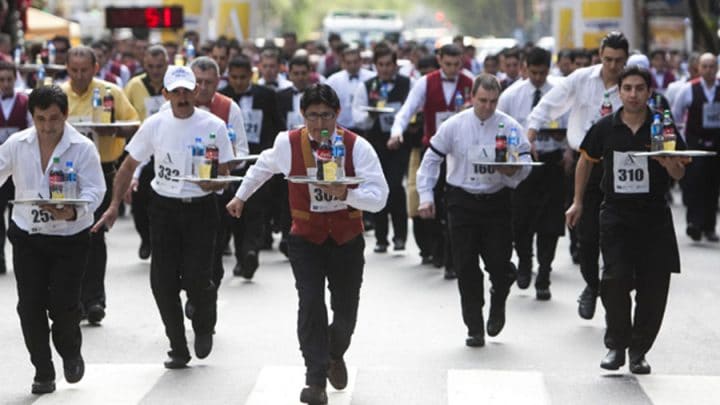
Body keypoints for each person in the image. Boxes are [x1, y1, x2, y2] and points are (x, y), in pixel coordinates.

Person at [226, 84, 388, 405]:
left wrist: (348, 195)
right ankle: (315, 380)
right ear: (303, 116)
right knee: (311, 303)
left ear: (337, 115)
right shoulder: (288, 144)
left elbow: (380, 197)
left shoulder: (358, 148)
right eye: (312, 116)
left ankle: (334, 352)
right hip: (305, 238)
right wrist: (240, 196)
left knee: (345, 311)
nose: (319, 124)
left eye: (326, 115)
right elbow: (262, 167)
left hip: (346, 238)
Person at [93, 66, 233, 368]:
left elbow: (225, 173)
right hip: (164, 208)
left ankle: (204, 322)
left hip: (200, 209)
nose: (182, 97)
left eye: (187, 91)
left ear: (196, 91)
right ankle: (178, 346)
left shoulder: (214, 126)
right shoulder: (155, 125)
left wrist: (216, 183)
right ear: (165, 94)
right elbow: (129, 166)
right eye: (176, 92)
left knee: (199, 277)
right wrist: (114, 204)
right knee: (162, 281)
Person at [566, 66, 687, 374]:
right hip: (617, 215)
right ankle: (616, 344)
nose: (633, 94)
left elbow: (680, 172)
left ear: (650, 92)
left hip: (654, 216)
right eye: (628, 88)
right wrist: (578, 202)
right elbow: (585, 161)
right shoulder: (605, 127)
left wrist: (668, 163)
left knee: (654, 285)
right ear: (619, 92)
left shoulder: (663, 127)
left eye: (640, 88)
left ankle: (639, 349)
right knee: (614, 281)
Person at [0, 85, 105, 394]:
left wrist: (70, 213)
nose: (47, 127)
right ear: (32, 117)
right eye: (40, 119)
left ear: (66, 115)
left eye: (54, 119)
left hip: (69, 238)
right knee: (29, 306)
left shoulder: (82, 147)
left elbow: (95, 190)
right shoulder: (17, 144)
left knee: (63, 306)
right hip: (28, 235)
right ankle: (43, 370)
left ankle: (70, 350)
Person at [417, 74, 531, 347]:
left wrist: (514, 170)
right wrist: (425, 195)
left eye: (493, 101)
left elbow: (527, 162)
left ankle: (499, 296)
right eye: (482, 101)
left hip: (496, 201)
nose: (488, 107)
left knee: (498, 263)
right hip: (461, 201)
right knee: (465, 266)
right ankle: (474, 325)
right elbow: (432, 158)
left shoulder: (509, 125)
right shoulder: (455, 125)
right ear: (472, 97)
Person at [527, 31, 629, 320]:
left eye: (619, 60)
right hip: (587, 164)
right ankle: (591, 285)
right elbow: (550, 104)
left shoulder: (633, 85)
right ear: (600, 55)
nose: (613, 66)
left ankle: (614, 293)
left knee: (617, 237)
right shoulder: (581, 79)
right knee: (587, 237)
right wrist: (531, 130)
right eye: (608, 59)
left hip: (622, 165)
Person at [61, 45, 139, 325]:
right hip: (68, 175)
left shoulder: (110, 92)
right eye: (74, 70)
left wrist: (114, 130)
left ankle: (94, 300)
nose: (80, 76)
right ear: (67, 69)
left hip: (103, 170)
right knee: (70, 236)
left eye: (85, 70)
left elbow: (135, 126)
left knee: (94, 234)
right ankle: (74, 300)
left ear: (96, 68)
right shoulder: (59, 95)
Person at [391, 43, 474, 279]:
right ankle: (436, 249)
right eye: (447, 64)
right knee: (433, 202)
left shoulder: (470, 82)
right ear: (439, 60)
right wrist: (397, 132)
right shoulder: (425, 83)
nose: (452, 69)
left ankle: (452, 259)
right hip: (434, 151)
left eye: (457, 64)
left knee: (456, 204)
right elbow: (406, 111)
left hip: (461, 153)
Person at [498, 47, 567, 300]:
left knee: (550, 223)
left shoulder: (559, 94)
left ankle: (545, 273)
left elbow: (572, 126)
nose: (538, 77)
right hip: (523, 166)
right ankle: (525, 264)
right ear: (525, 68)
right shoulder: (511, 95)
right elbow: (501, 127)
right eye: (534, 72)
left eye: (543, 72)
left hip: (553, 163)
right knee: (522, 220)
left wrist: (568, 148)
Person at [220, 55, 284, 279]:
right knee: (236, 212)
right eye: (234, 77)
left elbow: (277, 127)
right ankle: (240, 256)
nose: (238, 82)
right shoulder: (222, 98)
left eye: (243, 77)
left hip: (259, 162)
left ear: (251, 75)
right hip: (231, 163)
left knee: (256, 211)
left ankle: (251, 251)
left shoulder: (266, 96)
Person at [352, 43, 411, 253]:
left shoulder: (406, 84)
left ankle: (400, 235)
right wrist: (370, 116)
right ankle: (381, 237)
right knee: (377, 186)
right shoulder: (367, 86)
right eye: (381, 65)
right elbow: (357, 117)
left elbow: (412, 110)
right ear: (375, 66)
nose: (385, 69)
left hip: (398, 142)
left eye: (389, 64)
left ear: (395, 65)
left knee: (395, 186)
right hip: (376, 143)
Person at [123, 45, 169, 259]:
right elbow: (124, 114)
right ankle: (145, 238)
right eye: (151, 66)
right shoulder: (134, 86)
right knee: (139, 199)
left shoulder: (175, 85)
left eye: (160, 66)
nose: (156, 71)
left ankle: (160, 240)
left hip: (167, 148)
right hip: (142, 149)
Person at [671, 52, 720, 242]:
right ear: (698, 68)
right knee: (694, 184)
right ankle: (694, 223)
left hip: (716, 143)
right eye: (704, 66)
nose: (708, 70)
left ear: (716, 68)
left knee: (713, 185)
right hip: (695, 143)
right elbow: (676, 113)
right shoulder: (689, 89)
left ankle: (709, 226)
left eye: (712, 66)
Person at [0, 61, 32, 274]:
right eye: (1, 80)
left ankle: (22, 259)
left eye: (9, 79)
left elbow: (32, 131)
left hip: (20, 166)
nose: (5, 84)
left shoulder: (26, 102)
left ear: (16, 78)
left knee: (19, 214)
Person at [325, 46, 376, 135]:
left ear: (361, 61)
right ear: (343, 63)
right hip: (341, 128)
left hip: (367, 128)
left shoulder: (372, 78)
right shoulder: (333, 80)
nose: (352, 65)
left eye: (355, 62)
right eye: (349, 62)